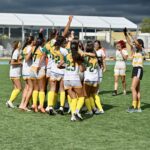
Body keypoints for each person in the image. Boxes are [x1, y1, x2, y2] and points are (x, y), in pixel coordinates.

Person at [124, 28, 144, 113]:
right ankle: (138, 107)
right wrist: (125, 34)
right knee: (137, 89)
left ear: (140, 44)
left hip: (138, 69)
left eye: (137, 44)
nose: (135, 45)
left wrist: (131, 35)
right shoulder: (136, 51)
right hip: (135, 69)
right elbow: (129, 42)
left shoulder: (142, 50)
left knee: (132, 88)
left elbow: (136, 44)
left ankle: (133, 106)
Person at [19, 36, 34, 111]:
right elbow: (26, 58)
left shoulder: (24, 48)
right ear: (32, 41)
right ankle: (25, 105)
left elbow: (20, 58)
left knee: (26, 88)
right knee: (31, 88)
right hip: (28, 70)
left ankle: (22, 104)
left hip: (24, 70)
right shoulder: (29, 48)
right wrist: (31, 51)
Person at [6, 41, 22, 108]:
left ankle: (10, 102)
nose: (20, 44)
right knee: (19, 88)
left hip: (14, 72)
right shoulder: (16, 51)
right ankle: (10, 101)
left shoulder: (16, 51)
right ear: (17, 45)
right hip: (15, 72)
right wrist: (20, 63)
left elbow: (11, 61)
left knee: (16, 88)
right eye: (19, 43)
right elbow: (12, 63)